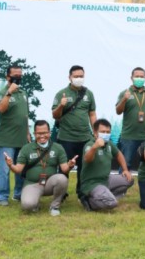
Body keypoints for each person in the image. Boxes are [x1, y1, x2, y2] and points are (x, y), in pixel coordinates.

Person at [4, 120, 77, 216]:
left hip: (49, 184)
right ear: (34, 134)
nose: (42, 136)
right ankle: (34, 203)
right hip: (32, 184)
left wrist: (70, 165)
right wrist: (10, 165)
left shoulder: (58, 148)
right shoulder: (26, 148)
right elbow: (18, 169)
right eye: (39, 133)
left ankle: (54, 206)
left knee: (62, 179)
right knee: (27, 206)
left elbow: (64, 169)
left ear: (49, 133)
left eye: (45, 133)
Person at [51, 65, 97, 204]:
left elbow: (92, 114)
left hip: (85, 138)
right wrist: (61, 105)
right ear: (69, 77)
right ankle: (61, 193)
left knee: (84, 167)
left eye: (81, 76)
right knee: (64, 167)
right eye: (76, 76)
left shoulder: (88, 94)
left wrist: (95, 131)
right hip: (66, 138)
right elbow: (55, 115)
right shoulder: (61, 94)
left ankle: (82, 194)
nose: (79, 78)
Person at [0, 65, 30, 206]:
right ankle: (2, 196)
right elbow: (1, 109)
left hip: (22, 139)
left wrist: (27, 133)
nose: (18, 77)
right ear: (7, 77)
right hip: (6, 139)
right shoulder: (2, 92)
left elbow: (25, 115)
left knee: (21, 168)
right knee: (4, 169)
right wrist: (9, 93)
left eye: (20, 75)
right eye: (15, 75)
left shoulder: (23, 93)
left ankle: (19, 194)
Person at [80, 119, 134, 211]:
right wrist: (94, 147)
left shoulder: (109, 144)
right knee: (112, 203)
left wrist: (125, 170)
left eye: (108, 132)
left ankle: (106, 195)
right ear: (95, 133)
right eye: (102, 132)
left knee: (129, 180)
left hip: (106, 179)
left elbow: (119, 154)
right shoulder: (90, 145)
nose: (105, 134)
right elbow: (87, 159)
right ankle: (89, 201)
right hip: (92, 183)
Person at [115, 67, 145, 171]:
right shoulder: (124, 93)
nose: (139, 78)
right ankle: (121, 186)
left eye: (142, 77)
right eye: (137, 76)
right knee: (126, 164)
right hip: (129, 136)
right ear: (132, 78)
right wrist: (124, 99)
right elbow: (118, 111)